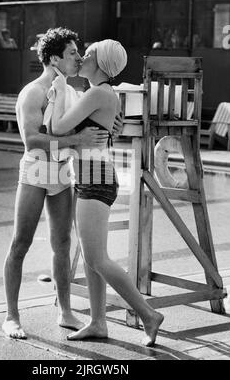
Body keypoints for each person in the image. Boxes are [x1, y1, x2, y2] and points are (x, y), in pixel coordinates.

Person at [2, 28, 123, 339]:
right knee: (21, 243)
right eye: (72, 53)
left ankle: (65, 311)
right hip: (36, 172)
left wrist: (112, 127)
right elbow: (32, 141)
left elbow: (94, 127)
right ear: (54, 58)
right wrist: (76, 138)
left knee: (63, 245)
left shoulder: (74, 92)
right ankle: (12, 316)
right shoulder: (33, 92)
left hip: (62, 174)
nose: (78, 57)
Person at [50, 39, 164, 347]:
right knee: (90, 257)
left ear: (100, 64)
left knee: (98, 258)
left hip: (95, 179)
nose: (82, 57)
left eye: (88, 54)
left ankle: (147, 314)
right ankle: (98, 322)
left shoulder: (97, 93)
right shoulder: (103, 94)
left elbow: (58, 128)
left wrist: (58, 89)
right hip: (94, 175)